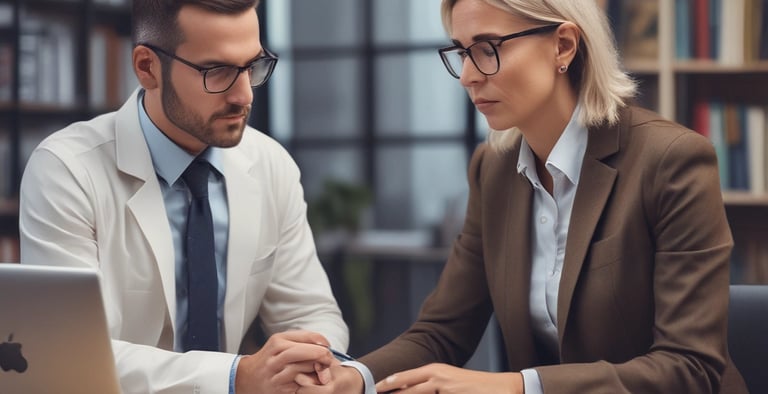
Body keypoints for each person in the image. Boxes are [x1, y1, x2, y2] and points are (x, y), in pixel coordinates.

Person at [298, 0, 749, 393]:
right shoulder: (493, 170)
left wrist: (515, 386)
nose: (468, 77)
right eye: (462, 52)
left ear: (563, 46)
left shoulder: (671, 161)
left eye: (488, 49)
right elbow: (442, 332)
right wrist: (355, 378)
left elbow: (689, 367)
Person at [18, 1, 351, 392]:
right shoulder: (67, 169)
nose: (244, 95)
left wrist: (315, 366)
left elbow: (310, 313)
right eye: (217, 71)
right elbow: (71, 351)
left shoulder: (271, 164)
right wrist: (235, 377)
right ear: (147, 67)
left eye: (252, 66)